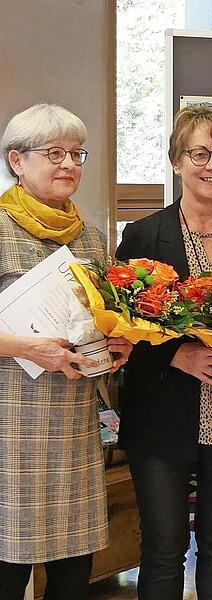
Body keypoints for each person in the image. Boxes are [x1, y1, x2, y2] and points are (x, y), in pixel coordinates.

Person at [116, 106, 212, 600]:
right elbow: (123, 335)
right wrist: (178, 357)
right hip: (163, 418)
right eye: (200, 153)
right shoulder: (144, 237)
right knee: (164, 548)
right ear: (177, 161)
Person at [0, 103, 133, 599]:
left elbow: (109, 315)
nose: (69, 165)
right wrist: (27, 347)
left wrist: (120, 343)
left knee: (74, 565)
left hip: (77, 422)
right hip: (12, 424)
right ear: (17, 161)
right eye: (53, 153)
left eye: (77, 154)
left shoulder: (92, 238)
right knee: (10, 560)